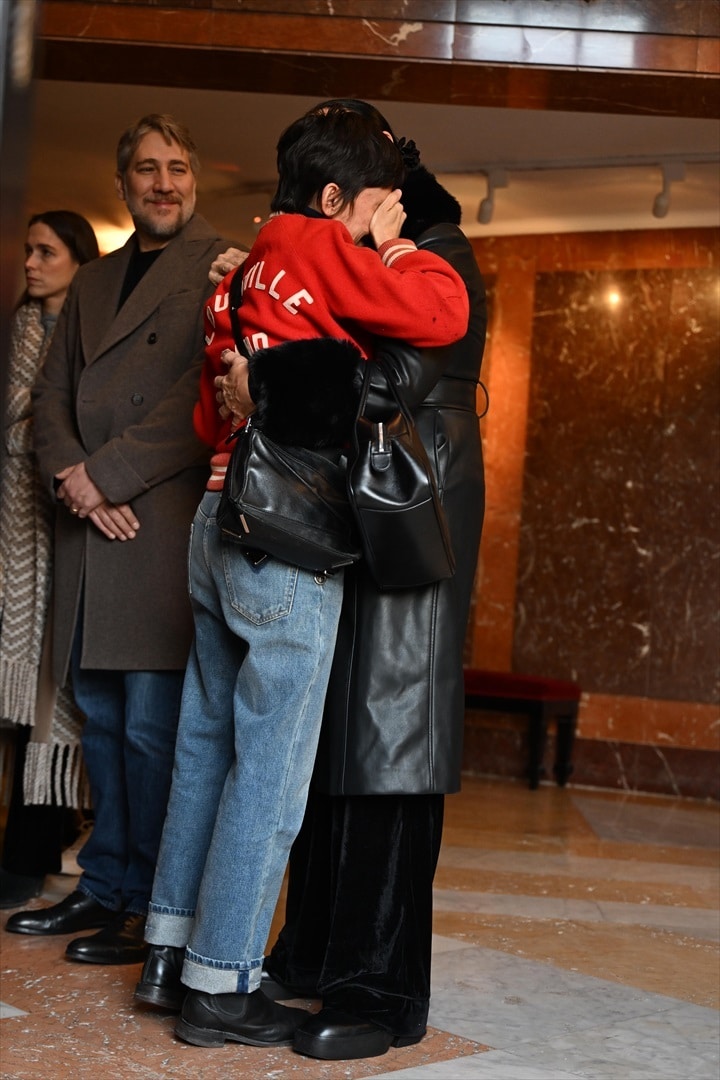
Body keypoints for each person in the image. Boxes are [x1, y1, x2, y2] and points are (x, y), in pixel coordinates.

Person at [132, 106, 469, 1050]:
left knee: (202, 746)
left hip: (212, 519)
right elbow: (445, 310)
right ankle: (222, 983)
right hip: (284, 538)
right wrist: (397, 251)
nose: (379, 219)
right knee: (272, 775)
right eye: (372, 205)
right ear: (333, 200)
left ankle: (167, 949)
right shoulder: (324, 249)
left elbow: (209, 421)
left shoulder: (238, 275)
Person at [5, 115, 233, 965]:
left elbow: (203, 398)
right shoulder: (95, 282)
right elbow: (49, 402)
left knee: (151, 731)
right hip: (92, 533)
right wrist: (76, 479)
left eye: (176, 167)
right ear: (124, 183)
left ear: (195, 178)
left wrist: (111, 476)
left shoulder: (222, 265)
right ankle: (101, 888)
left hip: (159, 527)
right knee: (99, 723)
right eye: (146, 169)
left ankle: (148, 904)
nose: (162, 183)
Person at [0, 211, 99, 910]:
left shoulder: (92, 338)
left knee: (49, 700)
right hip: (10, 535)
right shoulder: (11, 334)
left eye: (45, 251)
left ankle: (31, 850)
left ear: (78, 260)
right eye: (28, 251)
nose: (31, 263)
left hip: (66, 531)